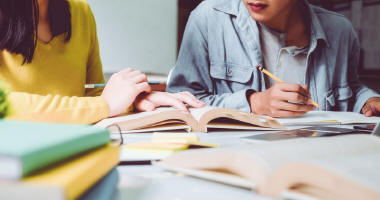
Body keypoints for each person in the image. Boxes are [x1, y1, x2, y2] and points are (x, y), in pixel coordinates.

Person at [0, 0, 204, 124]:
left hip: (74, 150)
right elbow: (5, 107)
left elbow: (94, 95)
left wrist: (134, 100)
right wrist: (105, 105)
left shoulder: (80, 12)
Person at [167, 0, 380, 118]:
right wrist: (254, 103)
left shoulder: (340, 30)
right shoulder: (208, 19)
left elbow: (350, 88)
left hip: (319, 163)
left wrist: (366, 101)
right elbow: (178, 103)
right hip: (241, 162)